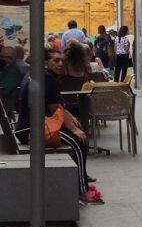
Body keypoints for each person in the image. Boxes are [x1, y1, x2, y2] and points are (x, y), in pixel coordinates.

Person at [16, 49, 103, 204]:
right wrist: (74, 128)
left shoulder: (38, 75)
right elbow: (55, 108)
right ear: (45, 63)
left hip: (35, 126)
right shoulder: (46, 78)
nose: (61, 64)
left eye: (63, 60)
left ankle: (81, 174)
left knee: (78, 136)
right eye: (56, 61)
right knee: (78, 141)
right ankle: (82, 190)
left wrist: (70, 118)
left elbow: (58, 106)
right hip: (32, 130)